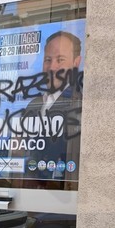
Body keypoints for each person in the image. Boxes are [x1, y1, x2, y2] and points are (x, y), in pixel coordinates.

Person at [20, 31, 83, 189]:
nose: (52, 66)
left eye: (60, 59)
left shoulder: (80, 103)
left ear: (76, 62)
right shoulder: (33, 104)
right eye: (47, 60)